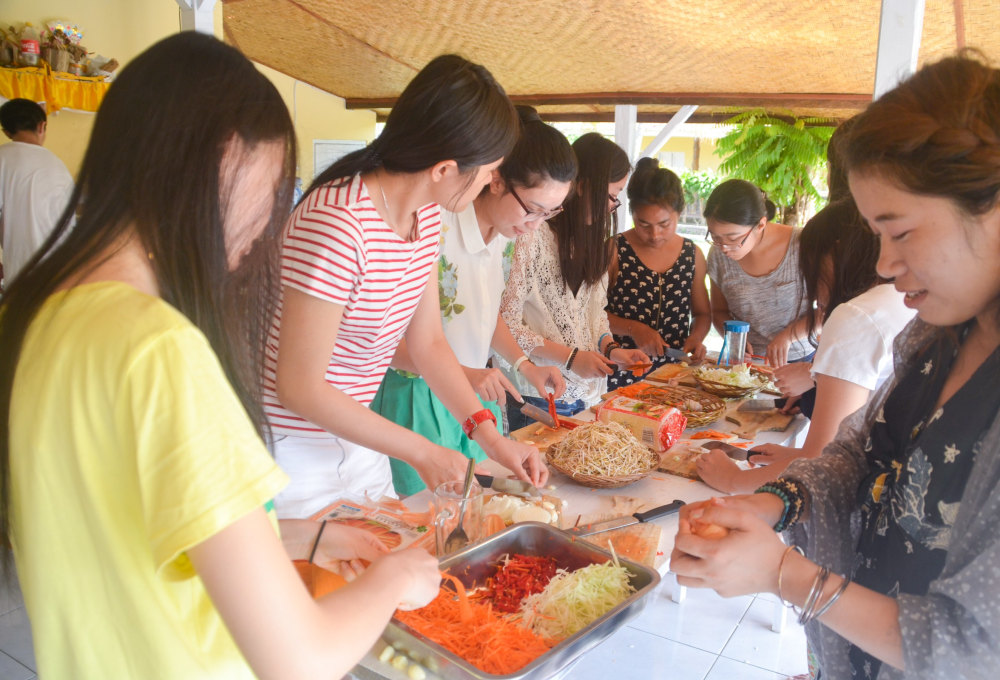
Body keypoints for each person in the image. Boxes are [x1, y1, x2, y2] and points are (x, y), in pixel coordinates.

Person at [0, 33, 440, 680]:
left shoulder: (33, 315)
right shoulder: (160, 348)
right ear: (223, 156)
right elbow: (299, 659)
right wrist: (394, 579)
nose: (265, 223)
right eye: (270, 190)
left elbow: (138, 543)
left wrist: (312, 536)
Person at [671, 51, 1000, 679]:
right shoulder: (936, 339)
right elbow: (859, 456)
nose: (882, 265)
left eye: (900, 232)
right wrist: (773, 504)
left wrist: (784, 573)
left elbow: (976, 648)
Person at [264, 54, 546, 518]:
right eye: (488, 172)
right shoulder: (339, 222)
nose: (491, 183)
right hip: (291, 456)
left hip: (357, 443)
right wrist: (424, 452)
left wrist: (490, 438)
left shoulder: (426, 216)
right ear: (443, 169)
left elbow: (429, 343)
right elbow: (300, 387)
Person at [370, 106, 573, 495]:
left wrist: (524, 365)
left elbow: (484, 316)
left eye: (549, 213)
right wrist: (464, 372)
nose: (534, 224)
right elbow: (391, 340)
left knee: (485, 509)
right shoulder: (435, 225)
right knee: (432, 520)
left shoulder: (507, 236)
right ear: (495, 179)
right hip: (416, 394)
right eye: (531, 209)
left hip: (474, 394)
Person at [696, 199, 915, 494]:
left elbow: (821, 458)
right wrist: (794, 455)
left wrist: (733, 479)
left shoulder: (854, 316)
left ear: (833, 255)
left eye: (810, 262)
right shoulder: (899, 297)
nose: (810, 280)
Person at [500, 132, 648, 431]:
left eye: (617, 199)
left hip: (587, 395)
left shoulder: (596, 243)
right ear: (580, 186)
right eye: (611, 195)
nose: (612, 206)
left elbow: (595, 318)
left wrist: (611, 350)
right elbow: (504, 324)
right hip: (536, 394)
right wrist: (569, 358)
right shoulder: (532, 237)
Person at [606, 157, 710, 390]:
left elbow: (702, 314)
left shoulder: (692, 255)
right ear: (631, 213)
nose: (654, 235)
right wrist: (634, 329)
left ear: (679, 213)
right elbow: (591, 315)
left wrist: (696, 338)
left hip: (673, 374)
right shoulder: (614, 250)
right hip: (622, 371)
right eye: (644, 225)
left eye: (664, 224)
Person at [705, 179, 813, 368]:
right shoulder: (718, 257)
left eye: (732, 238)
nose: (724, 247)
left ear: (761, 224)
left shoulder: (803, 245)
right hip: (746, 363)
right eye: (715, 237)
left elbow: (826, 311)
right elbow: (719, 312)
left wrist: (787, 337)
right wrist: (733, 338)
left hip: (800, 361)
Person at [0, 98, 74, 285]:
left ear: (7, 132)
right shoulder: (58, 165)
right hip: (61, 269)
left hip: (20, 272)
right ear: (42, 126)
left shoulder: (2, 159)